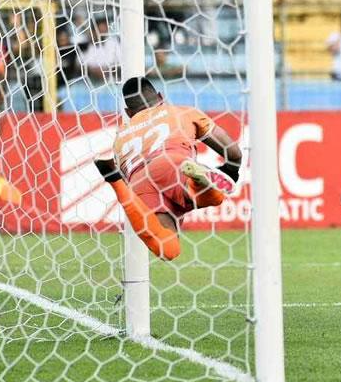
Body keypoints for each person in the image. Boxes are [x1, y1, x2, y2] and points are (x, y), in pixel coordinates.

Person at [94, 76, 242, 262]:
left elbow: (129, 179)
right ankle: (197, 183)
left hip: (138, 180)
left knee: (168, 250)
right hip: (172, 162)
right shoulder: (183, 112)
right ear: (160, 96)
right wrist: (231, 171)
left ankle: (113, 181)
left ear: (128, 112)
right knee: (212, 197)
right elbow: (233, 152)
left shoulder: (120, 137)